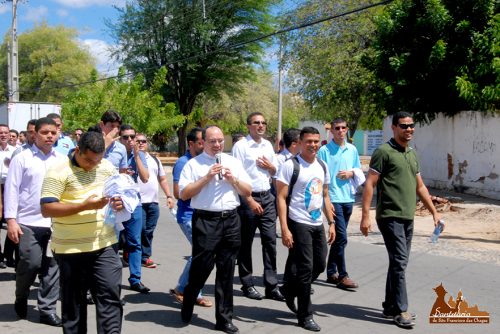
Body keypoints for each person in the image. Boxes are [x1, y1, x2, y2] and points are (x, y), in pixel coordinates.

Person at [360, 111, 442, 329]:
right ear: (394, 128)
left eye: (411, 126)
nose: (409, 129)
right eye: (404, 126)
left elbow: (420, 186)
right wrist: (365, 215)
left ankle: (390, 306)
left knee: (398, 263)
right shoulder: (383, 152)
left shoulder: (412, 153)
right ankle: (401, 309)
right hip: (389, 216)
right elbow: (370, 184)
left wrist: (433, 212)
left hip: (407, 216)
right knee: (399, 262)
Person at [40, 131, 124, 333]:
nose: (93, 165)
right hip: (70, 249)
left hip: (105, 244)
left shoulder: (107, 167)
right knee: (74, 304)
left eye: (97, 160)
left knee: (110, 298)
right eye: (88, 160)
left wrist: (120, 203)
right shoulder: (58, 170)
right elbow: (47, 209)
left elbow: (118, 194)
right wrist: (84, 206)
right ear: (77, 150)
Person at [179, 126, 252, 334]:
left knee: (227, 270)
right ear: (204, 142)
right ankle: (188, 300)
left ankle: (224, 319)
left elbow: (247, 190)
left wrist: (233, 180)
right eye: (213, 141)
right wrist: (206, 177)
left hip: (230, 219)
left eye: (220, 140)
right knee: (201, 267)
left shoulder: (232, 162)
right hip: (205, 221)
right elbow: (184, 194)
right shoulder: (194, 164)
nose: (218, 144)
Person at [276, 127, 335, 332]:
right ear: (300, 143)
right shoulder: (290, 166)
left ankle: (289, 289)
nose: (313, 145)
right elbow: (281, 198)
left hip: (317, 222)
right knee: (305, 268)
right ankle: (305, 315)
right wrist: (284, 228)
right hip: (298, 222)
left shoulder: (322, 165)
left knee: (319, 264)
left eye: (316, 141)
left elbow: (325, 195)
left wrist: (331, 222)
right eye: (309, 141)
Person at [5, 118, 63, 326]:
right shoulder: (22, 158)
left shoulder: (62, 160)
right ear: (35, 134)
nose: (49, 136)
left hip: (55, 223)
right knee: (31, 263)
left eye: (53, 133)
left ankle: (47, 309)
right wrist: (11, 220)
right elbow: (11, 189)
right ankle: (21, 296)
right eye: (45, 132)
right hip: (28, 222)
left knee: (52, 267)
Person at [231, 112, 283, 301]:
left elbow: (275, 170)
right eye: (256, 123)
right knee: (245, 243)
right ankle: (247, 283)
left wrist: (271, 166)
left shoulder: (268, 145)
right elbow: (235, 177)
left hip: (267, 196)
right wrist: (249, 200)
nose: (261, 126)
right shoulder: (240, 146)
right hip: (248, 198)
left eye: (263, 122)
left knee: (270, 241)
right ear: (248, 126)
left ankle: (271, 285)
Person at [317, 118, 363, 290]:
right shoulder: (324, 150)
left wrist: (351, 173)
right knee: (342, 237)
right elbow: (319, 175)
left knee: (338, 238)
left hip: (348, 198)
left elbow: (358, 170)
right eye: (337, 128)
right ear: (332, 131)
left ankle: (331, 271)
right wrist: (323, 202)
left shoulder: (352, 149)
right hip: (332, 198)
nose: (340, 131)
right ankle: (343, 275)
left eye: (343, 128)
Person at [170, 127, 213, 307]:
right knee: (200, 254)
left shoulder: (204, 161)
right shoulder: (183, 162)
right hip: (188, 216)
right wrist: (200, 185)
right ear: (191, 144)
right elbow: (178, 193)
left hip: (203, 216)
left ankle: (183, 287)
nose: (204, 145)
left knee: (201, 254)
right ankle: (191, 292)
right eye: (201, 141)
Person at [119, 124, 150, 293]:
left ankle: (135, 279)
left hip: (134, 203)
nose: (130, 140)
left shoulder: (140, 155)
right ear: (119, 138)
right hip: (115, 203)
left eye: (133, 137)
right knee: (112, 244)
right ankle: (111, 280)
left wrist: (137, 156)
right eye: (126, 137)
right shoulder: (113, 152)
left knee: (135, 243)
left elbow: (145, 178)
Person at [136, 133, 175, 268]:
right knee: (140, 230)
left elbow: (162, 179)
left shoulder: (154, 160)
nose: (141, 143)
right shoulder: (133, 159)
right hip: (138, 202)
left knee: (149, 230)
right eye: (138, 141)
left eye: (143, 141)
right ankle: (135, 253)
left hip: (153, 202)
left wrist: (169, 196)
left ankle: (145, 256)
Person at [0, 123, 16, 269]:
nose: (3, 135)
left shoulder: (15, 151)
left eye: (5, 132)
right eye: (1, 133)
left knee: (12, 219)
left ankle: (9, 255)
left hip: (10, 187)